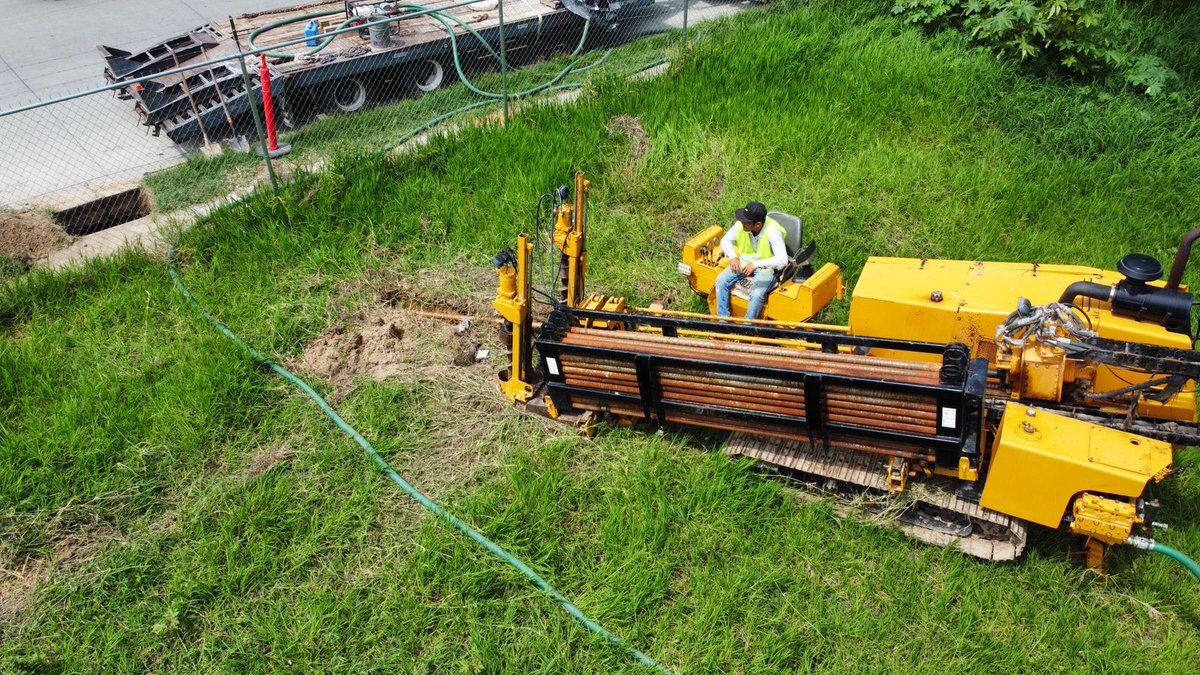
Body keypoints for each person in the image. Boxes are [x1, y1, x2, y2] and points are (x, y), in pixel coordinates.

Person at [716, 201, 788, 319]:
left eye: (746, 222)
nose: (742, 222)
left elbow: (782, 259)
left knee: (757, 294)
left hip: (767, 269)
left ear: (758, 225)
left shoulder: (773, 231)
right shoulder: (741, 225)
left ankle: (748, 328)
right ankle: (723, 320)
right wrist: (733, 257)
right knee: (721, 280)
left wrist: (755, 265)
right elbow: (725, 240)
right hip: (744, 263)